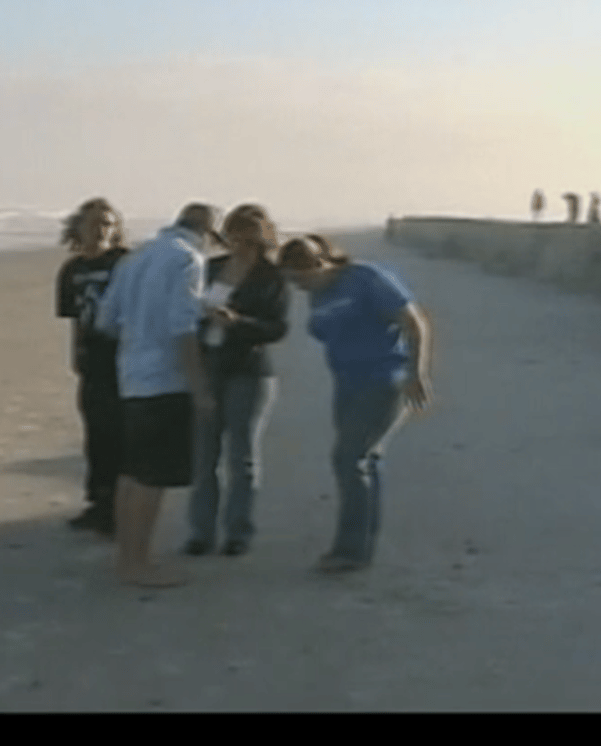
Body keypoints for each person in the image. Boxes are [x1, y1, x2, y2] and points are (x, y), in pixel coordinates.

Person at [277, 234, 433, 573]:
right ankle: (363, 545)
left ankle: (350, 549)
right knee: (367, 460)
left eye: (302, 278)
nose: (299, 287)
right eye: (292, 281)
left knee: (349, 458)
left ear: (321, 263)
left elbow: (414, 323)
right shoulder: (319, 294)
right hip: (346, 383)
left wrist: (416, 373)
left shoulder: (367, 278)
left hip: (383, 380)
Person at [95, 203, 221, 587]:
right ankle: (139, 562)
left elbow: (106, 320)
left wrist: (139, 339)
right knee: (153, 477)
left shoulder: (136, 256)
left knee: (131, 473)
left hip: (131, 375)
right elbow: (182, 327)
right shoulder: (188, 259)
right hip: (166, 379)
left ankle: (126, 557)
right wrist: (200, 388)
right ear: (206, 232)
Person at [184, 205, 289, 558]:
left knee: (241, 457)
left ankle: (238, 532)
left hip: (248, 369)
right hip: (208, 365)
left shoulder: (271, 276)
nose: (243, 244)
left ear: (263, 238)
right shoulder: (210, 268)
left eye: (250, 238)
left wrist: (238, 323)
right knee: (204, 456)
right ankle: (201, 533)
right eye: (237, 236)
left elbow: (277, 328)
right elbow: (186, 312)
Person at [55, 198, 131, 536]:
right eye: (94, 223)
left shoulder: (125, 264)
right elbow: (74, 318)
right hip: (93, 361)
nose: (101, 230)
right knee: (96, 435)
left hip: (125, 358)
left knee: (122, 436)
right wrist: (76, 354)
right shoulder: (72, 271)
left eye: (107, 224)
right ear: (79, 227)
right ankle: (98, 503)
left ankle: (121, 509)